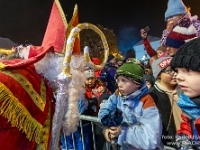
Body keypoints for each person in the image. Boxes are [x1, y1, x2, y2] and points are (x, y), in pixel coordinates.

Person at [98, 58, 162, 149]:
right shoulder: (118, 94)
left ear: (137, 83)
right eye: (118, 80)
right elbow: (105, 108)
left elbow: (152, 139)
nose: (119, 84)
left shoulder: (146, 103)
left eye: (124, 80)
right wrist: (107, 125)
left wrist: (123, 131)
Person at [170, 37, 200, 149]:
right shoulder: (189, 107)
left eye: (188, 70)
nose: (178, 76)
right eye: (177, 71)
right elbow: (186, 127)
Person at [150, 57, 182, 148]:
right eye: (169, 71)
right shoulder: (152, 96)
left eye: (175, 70)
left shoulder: (186, 88)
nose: (174, 74)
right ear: (159, 75)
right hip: (170, 143)